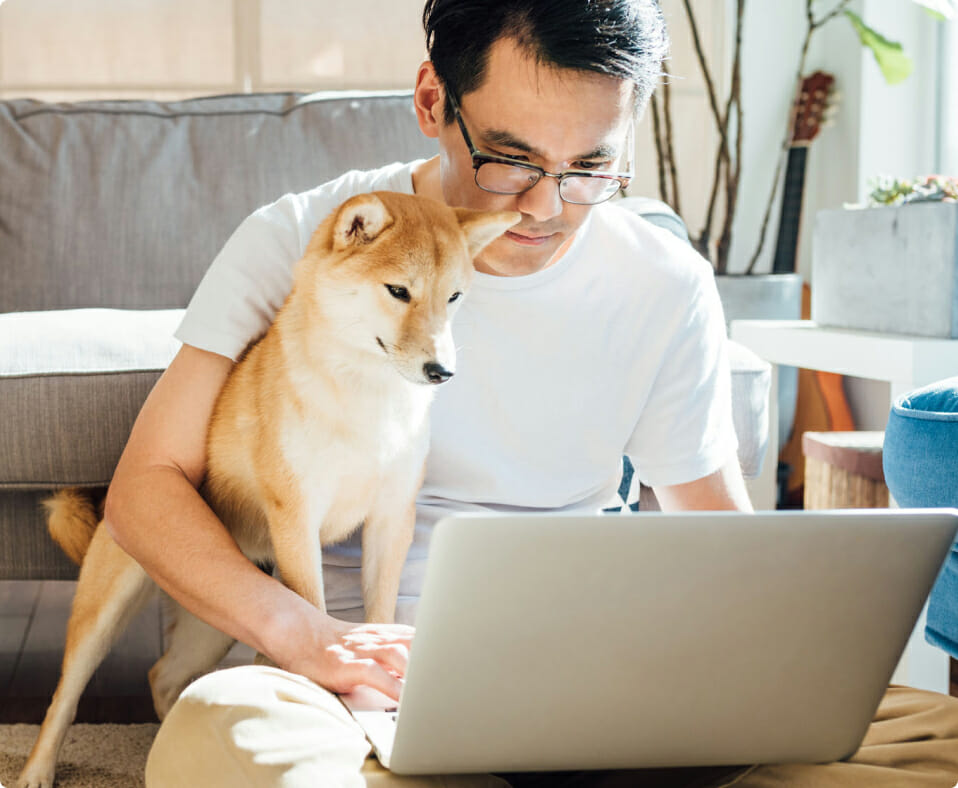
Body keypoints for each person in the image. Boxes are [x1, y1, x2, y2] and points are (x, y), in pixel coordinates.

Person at [100, 1, 958, 785]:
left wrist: (780, 671)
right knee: (234, 745)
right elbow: (145, 491)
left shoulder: (664, 282)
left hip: (597, 667)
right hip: (346, 683)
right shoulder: (305, 239)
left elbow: (711, 520)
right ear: (433, 101)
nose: (546, 207)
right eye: (511, 159)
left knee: (926, 743)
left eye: (592, 165)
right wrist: (304, 636)